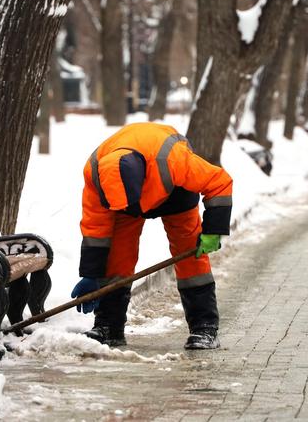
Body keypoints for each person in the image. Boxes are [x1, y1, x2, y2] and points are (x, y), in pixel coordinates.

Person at [71, 122, 233, 350]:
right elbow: (96, 228)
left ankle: (204, 327)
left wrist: (213, 231)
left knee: (190, 261)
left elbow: (219, 182)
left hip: (175, 192)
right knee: (118, 256)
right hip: (126, 203)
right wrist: (91, 275)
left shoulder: (173, 160)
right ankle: (109, 326)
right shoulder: (95, 173)